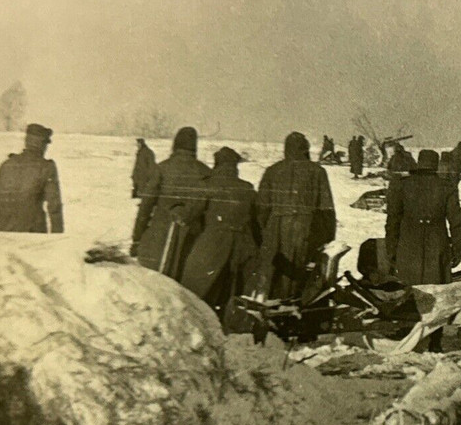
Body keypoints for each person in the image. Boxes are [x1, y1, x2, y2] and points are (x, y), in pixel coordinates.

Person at [251, 131, 337, 299]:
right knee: (302, 273)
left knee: (275, 271)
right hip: (305, 228)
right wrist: (327, 237)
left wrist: (263, 234)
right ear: (305, 149)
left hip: (276, 228)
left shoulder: (272, 171)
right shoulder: (317, 171)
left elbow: (261, 208)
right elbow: (326, 209)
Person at [180, 147, 259, 323]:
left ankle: (195, 323)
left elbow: (189, 214)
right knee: (232, 287)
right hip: (243, 246)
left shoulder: (208, 185)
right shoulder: (247, 189)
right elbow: (257, 220)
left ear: (217, 164)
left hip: (213, 242)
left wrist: (177, 212)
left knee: (195, 285)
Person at [130, 126, 211, 279]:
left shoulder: (162, 168)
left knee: (155, 286)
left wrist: (137, 238)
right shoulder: (205, 171)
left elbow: (146, 207)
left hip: (158, 237)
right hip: (189, 242)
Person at [385, 149, 461, 286]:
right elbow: (456, 222)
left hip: (408, 247)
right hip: (437, 248)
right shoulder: (447, 187)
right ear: (436, 165)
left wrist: (391, 249)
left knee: (408, 296)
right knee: (437, 296)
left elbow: (393, 220)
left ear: (419, 163)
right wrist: (457, 249)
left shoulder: (402, 184)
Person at [0, 123, 64, 233]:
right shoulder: (47, 167)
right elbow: (54, 206)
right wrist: (57, 236)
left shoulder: (7, 164)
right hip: (30, 233)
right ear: (42, 145)